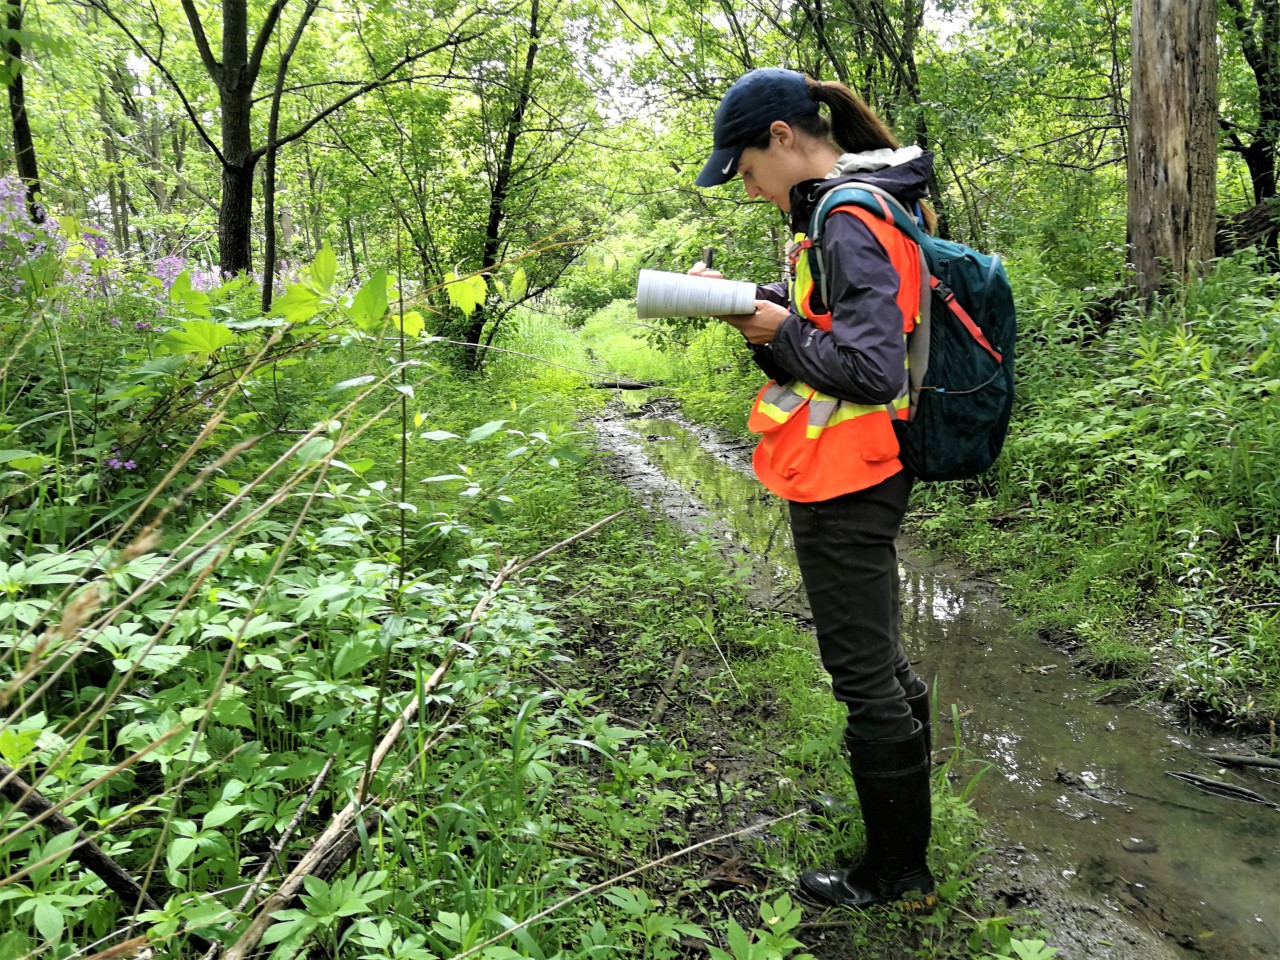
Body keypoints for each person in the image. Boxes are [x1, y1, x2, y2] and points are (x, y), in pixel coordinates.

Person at [691, 67, 936, 910]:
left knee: (862, 673)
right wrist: (770, 320)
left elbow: (869, 368)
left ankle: (898, 872)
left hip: (850, 473)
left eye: (746, 167)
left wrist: (780, 328)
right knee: (881, 664)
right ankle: (897, 831)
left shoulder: (845, 216)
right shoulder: (855, 205)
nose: (749, 186)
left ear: (783, 138)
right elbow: (847, 341)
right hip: (858, 465)